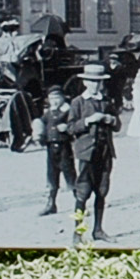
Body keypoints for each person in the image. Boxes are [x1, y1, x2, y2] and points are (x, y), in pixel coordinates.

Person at [73, 89, 119, 241]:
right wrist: (88, 120)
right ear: (85, 82)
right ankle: (78, 233)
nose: (96, 84)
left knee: (102, 191)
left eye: (99, 81)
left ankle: (98, 230)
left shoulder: (106, 101)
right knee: (83, 192)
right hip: (87, 154)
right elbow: (70, 127)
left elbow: (117, 125)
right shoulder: (78, 102)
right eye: (92, 81)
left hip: (105, 152)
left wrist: (111, 120)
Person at [36, 75, 81, 216]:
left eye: (57, 98)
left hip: (64, 147)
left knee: (70, 175)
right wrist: (38, 132)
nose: (54, 101)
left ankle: (79, 203)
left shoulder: (68, 111)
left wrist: (67, 128)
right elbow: (41, 123)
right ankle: (51, 203)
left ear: (63, 98)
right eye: (52, 98)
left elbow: (75, 125)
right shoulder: (48, 113)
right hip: (51, 148)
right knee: (52, 176)